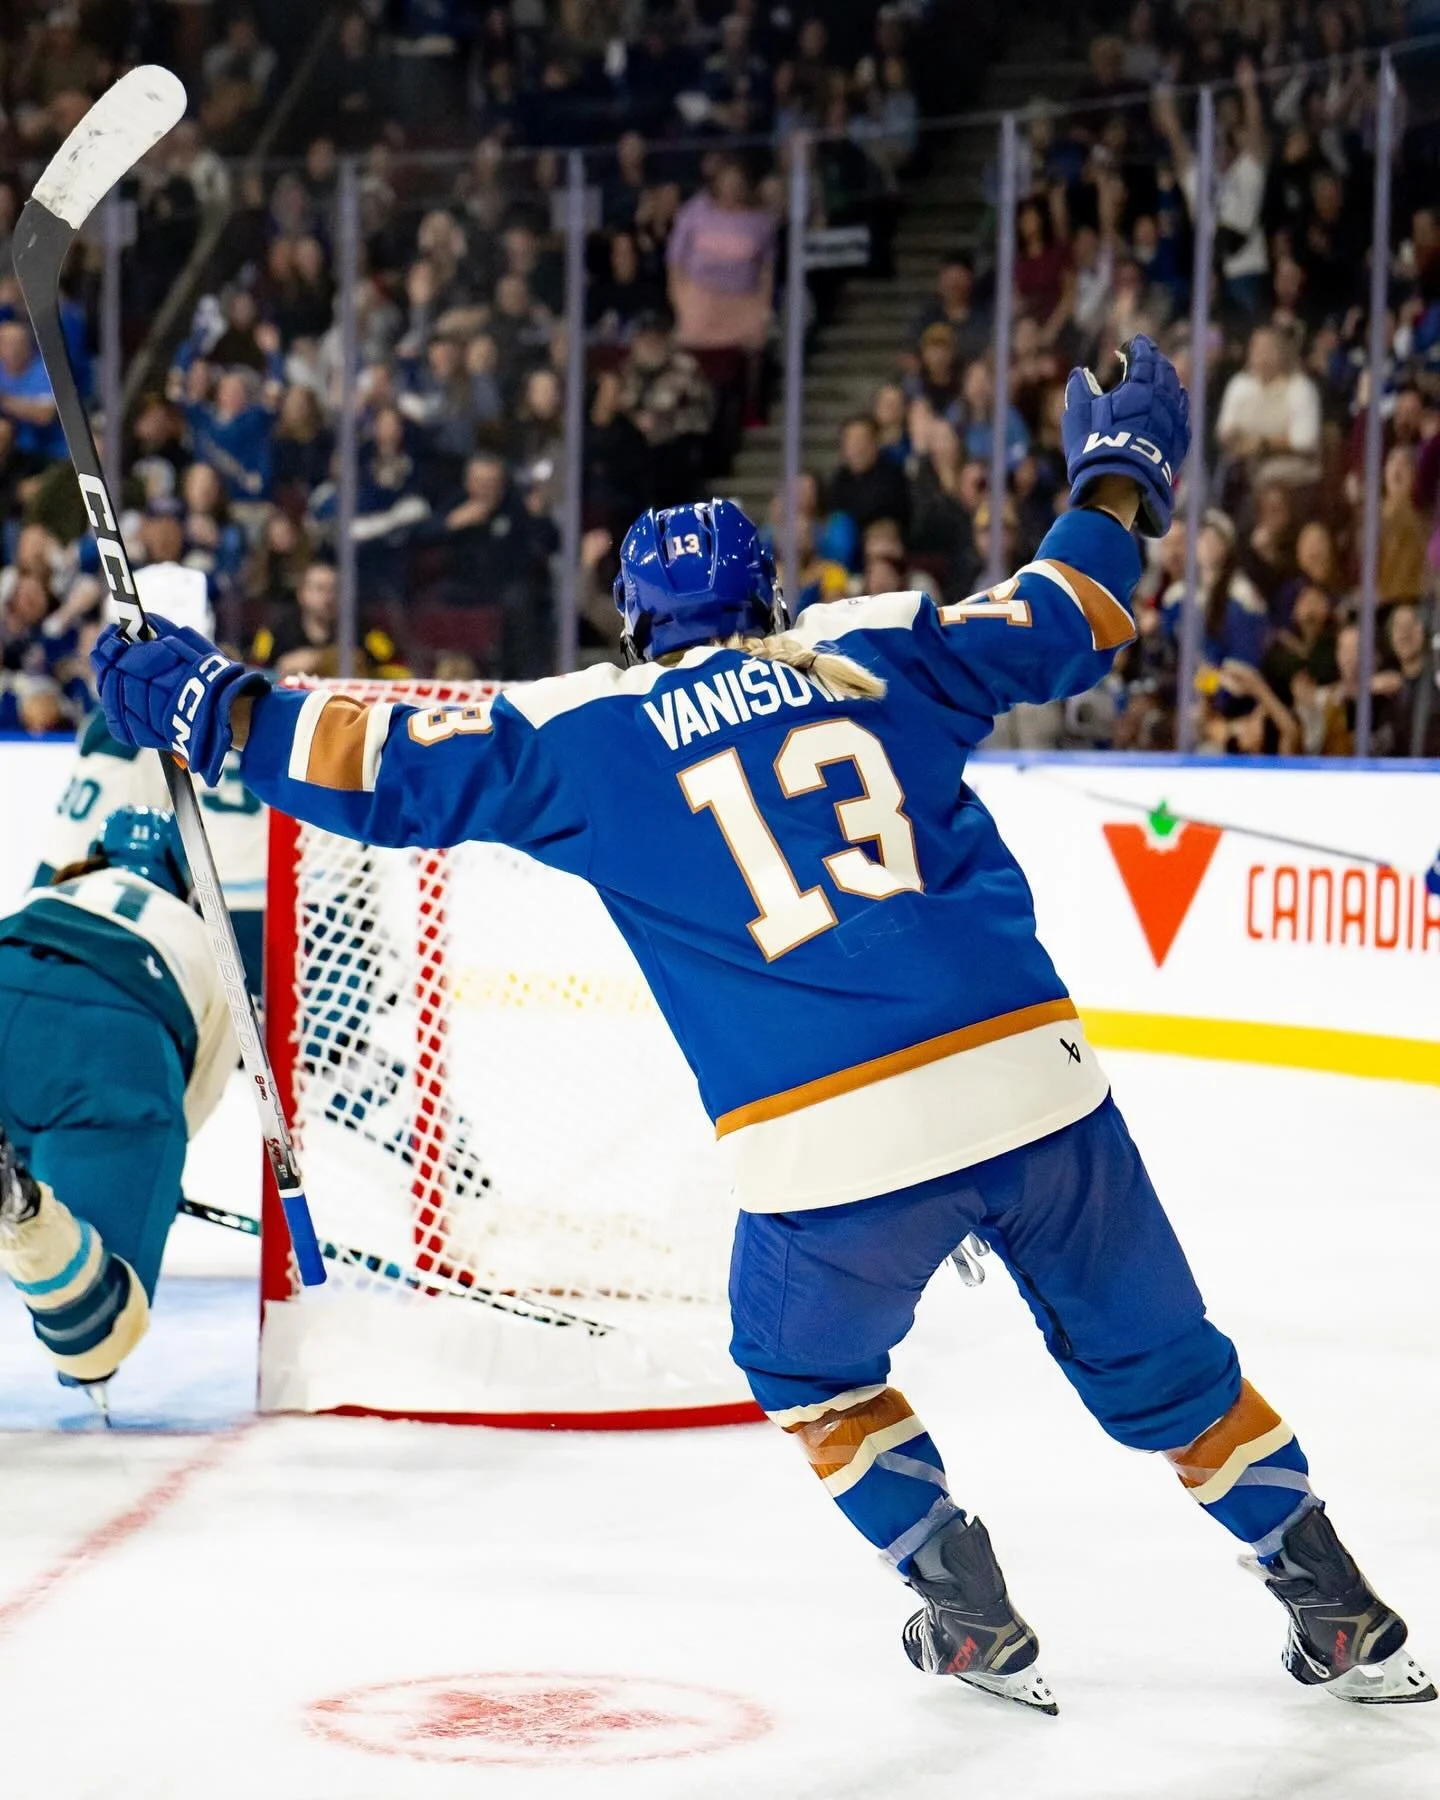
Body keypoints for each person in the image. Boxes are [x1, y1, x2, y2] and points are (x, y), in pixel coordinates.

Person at [90, 339, 1432, 1713]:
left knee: (800, 1359)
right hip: (1037, 1088)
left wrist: (213, 705)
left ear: (634, 624)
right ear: (769, 598)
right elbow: (1070, 608)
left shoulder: (587, 732)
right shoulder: (874, 649)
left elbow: (384, 771)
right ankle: (1337, 1608)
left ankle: (964, 1608)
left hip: (828, 1150)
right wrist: (1117, 476)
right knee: (1167, 1365)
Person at [0, 808, 234, 1408]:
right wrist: (150, 1190)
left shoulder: (58, 888)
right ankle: (22, 1211)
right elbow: (185, 1111)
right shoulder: (211, 941)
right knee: (100, 1333)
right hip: (114, 1038)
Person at [36, 565, 268, 996]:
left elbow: (59, 874)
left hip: (203, 938)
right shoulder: (257, 700)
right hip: (293, 936)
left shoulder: (126, 722)